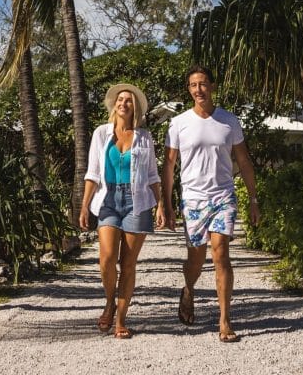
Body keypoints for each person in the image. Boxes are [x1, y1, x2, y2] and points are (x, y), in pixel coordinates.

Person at [162, 65, 260, 343]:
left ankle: (225, 319)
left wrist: (254, 199)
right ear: (188, 89)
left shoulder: (229, 121)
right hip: (192, 199)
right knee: (196, 258)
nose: (198, 90)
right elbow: (169, 165)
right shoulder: (178, 123)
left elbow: (243, 161)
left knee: (221, 253)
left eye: (203, 84)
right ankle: (189, 289)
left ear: (212, 87)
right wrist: (165, 204)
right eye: (193, 85)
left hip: (223, 197)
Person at [79, 82, 164, 338]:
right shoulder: (101, 133)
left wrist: (160, 204)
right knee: (106, 259)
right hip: (108, 199)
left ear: (134, 107)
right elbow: (92, 173)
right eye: (120, 99)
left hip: (136, 201)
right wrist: (84, 206)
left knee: (128, 264)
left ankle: (121, 319)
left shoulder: (144, 137)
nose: (124, 103)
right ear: (114, 105)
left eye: (129, 100)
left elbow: (152, 175)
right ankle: (109, 302)